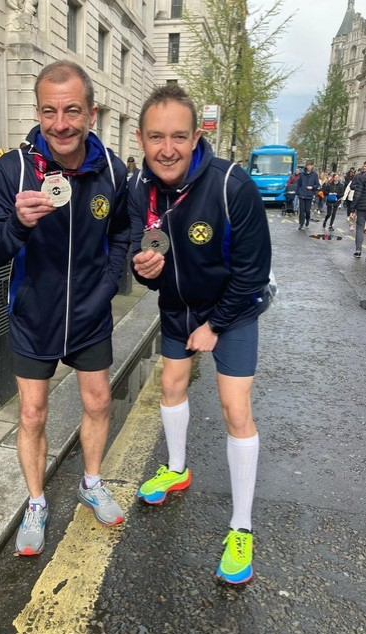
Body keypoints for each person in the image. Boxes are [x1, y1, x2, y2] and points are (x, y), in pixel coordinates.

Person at [0, 60, 129, 556]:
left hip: (89, 314)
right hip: (33, 315)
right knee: (34, 414)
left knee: (99, 402)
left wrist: (107, 286)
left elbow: (123, 233)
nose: (60, 123)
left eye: (71, 111)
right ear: (38, 112)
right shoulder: (13, 169)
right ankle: (37, 502)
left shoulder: (112, 170)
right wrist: (18, 225)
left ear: (91, 112)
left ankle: (91, 481)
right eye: (49, 111)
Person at [128, 84, 271, 585]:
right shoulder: (139, 190)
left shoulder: (233, 184)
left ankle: (241, 527)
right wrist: (145, 268)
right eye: (156, 137)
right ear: (142, 139)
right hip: (178, 308)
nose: (167, 148)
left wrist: (214, 325)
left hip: (234, 309)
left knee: (235, 409)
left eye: (179, 137)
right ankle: (177, 467)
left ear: (195, 137)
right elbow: (142, 255)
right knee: (170, 387)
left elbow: (253, 275)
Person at [296, 160, 319, 229]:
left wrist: (312, 187)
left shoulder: (315, 174)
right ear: (306, 166)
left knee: (307, 210)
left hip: (309, 195)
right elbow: (298, 184)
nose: (309, 167)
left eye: (310, 165)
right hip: (302, 194)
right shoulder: (302, 174)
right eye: (308, 165)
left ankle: (308, 219)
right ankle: (301, 223)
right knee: (301, 210)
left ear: (312, 166)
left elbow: (317, 184)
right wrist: (298, 192)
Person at [349, 167, 366, 258]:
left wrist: (352, 209)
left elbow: (357, 194)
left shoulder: (362, 178)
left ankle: (358, 250)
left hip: (362, 207)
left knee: (360, 228)